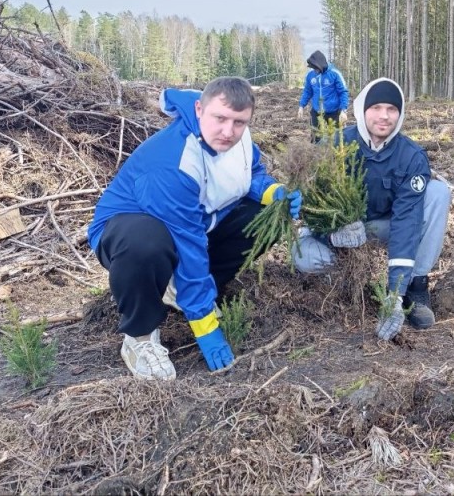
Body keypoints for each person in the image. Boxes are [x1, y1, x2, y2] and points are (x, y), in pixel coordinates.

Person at [87, 76, 302, 380]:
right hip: (127, 230)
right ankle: (139, 337)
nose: (229, 132)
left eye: (239, 123)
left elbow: (248, 174)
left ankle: (177, 289)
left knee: (264, 215)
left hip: (193, 225)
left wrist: (273, 193)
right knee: (147, 243)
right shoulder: (174, 161)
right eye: (220, 118)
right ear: (200, 109)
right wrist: (204, 325)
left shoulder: (240, 139)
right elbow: (187, 243)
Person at [293, 77, 451, 340]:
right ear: (362, 109)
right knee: (303, 256)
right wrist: (331, 233)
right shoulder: (334, 147)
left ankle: (416, 285)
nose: (384, 116)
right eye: (376, 108)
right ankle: (340, 280)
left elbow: (406, 222)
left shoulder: (410, 156)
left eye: (392, 109)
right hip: (339, 231)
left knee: (437, 193)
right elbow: (309, 206)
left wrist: (395, 295)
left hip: (382, 226)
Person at [298, 50, 350, 140]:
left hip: (333, 112)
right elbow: (307, 91)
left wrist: (343, 110)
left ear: (321, 65)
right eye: (313, 68)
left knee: (337, 138)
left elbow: (343, 92)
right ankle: (317, 151)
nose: (315, 70)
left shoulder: (335, 74)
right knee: (316, 138)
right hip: (317, 111)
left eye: (316, 68)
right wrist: (301, 106)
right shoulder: (310, 76)